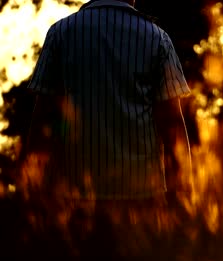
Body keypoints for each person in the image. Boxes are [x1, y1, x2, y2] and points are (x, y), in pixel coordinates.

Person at [25, 0, 192, 200]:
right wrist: (183, 190)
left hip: (72, 196)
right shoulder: (157, 38)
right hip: (141, 194)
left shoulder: (60, 33)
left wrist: (31, 187)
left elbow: (42, 117)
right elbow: (172, 125)